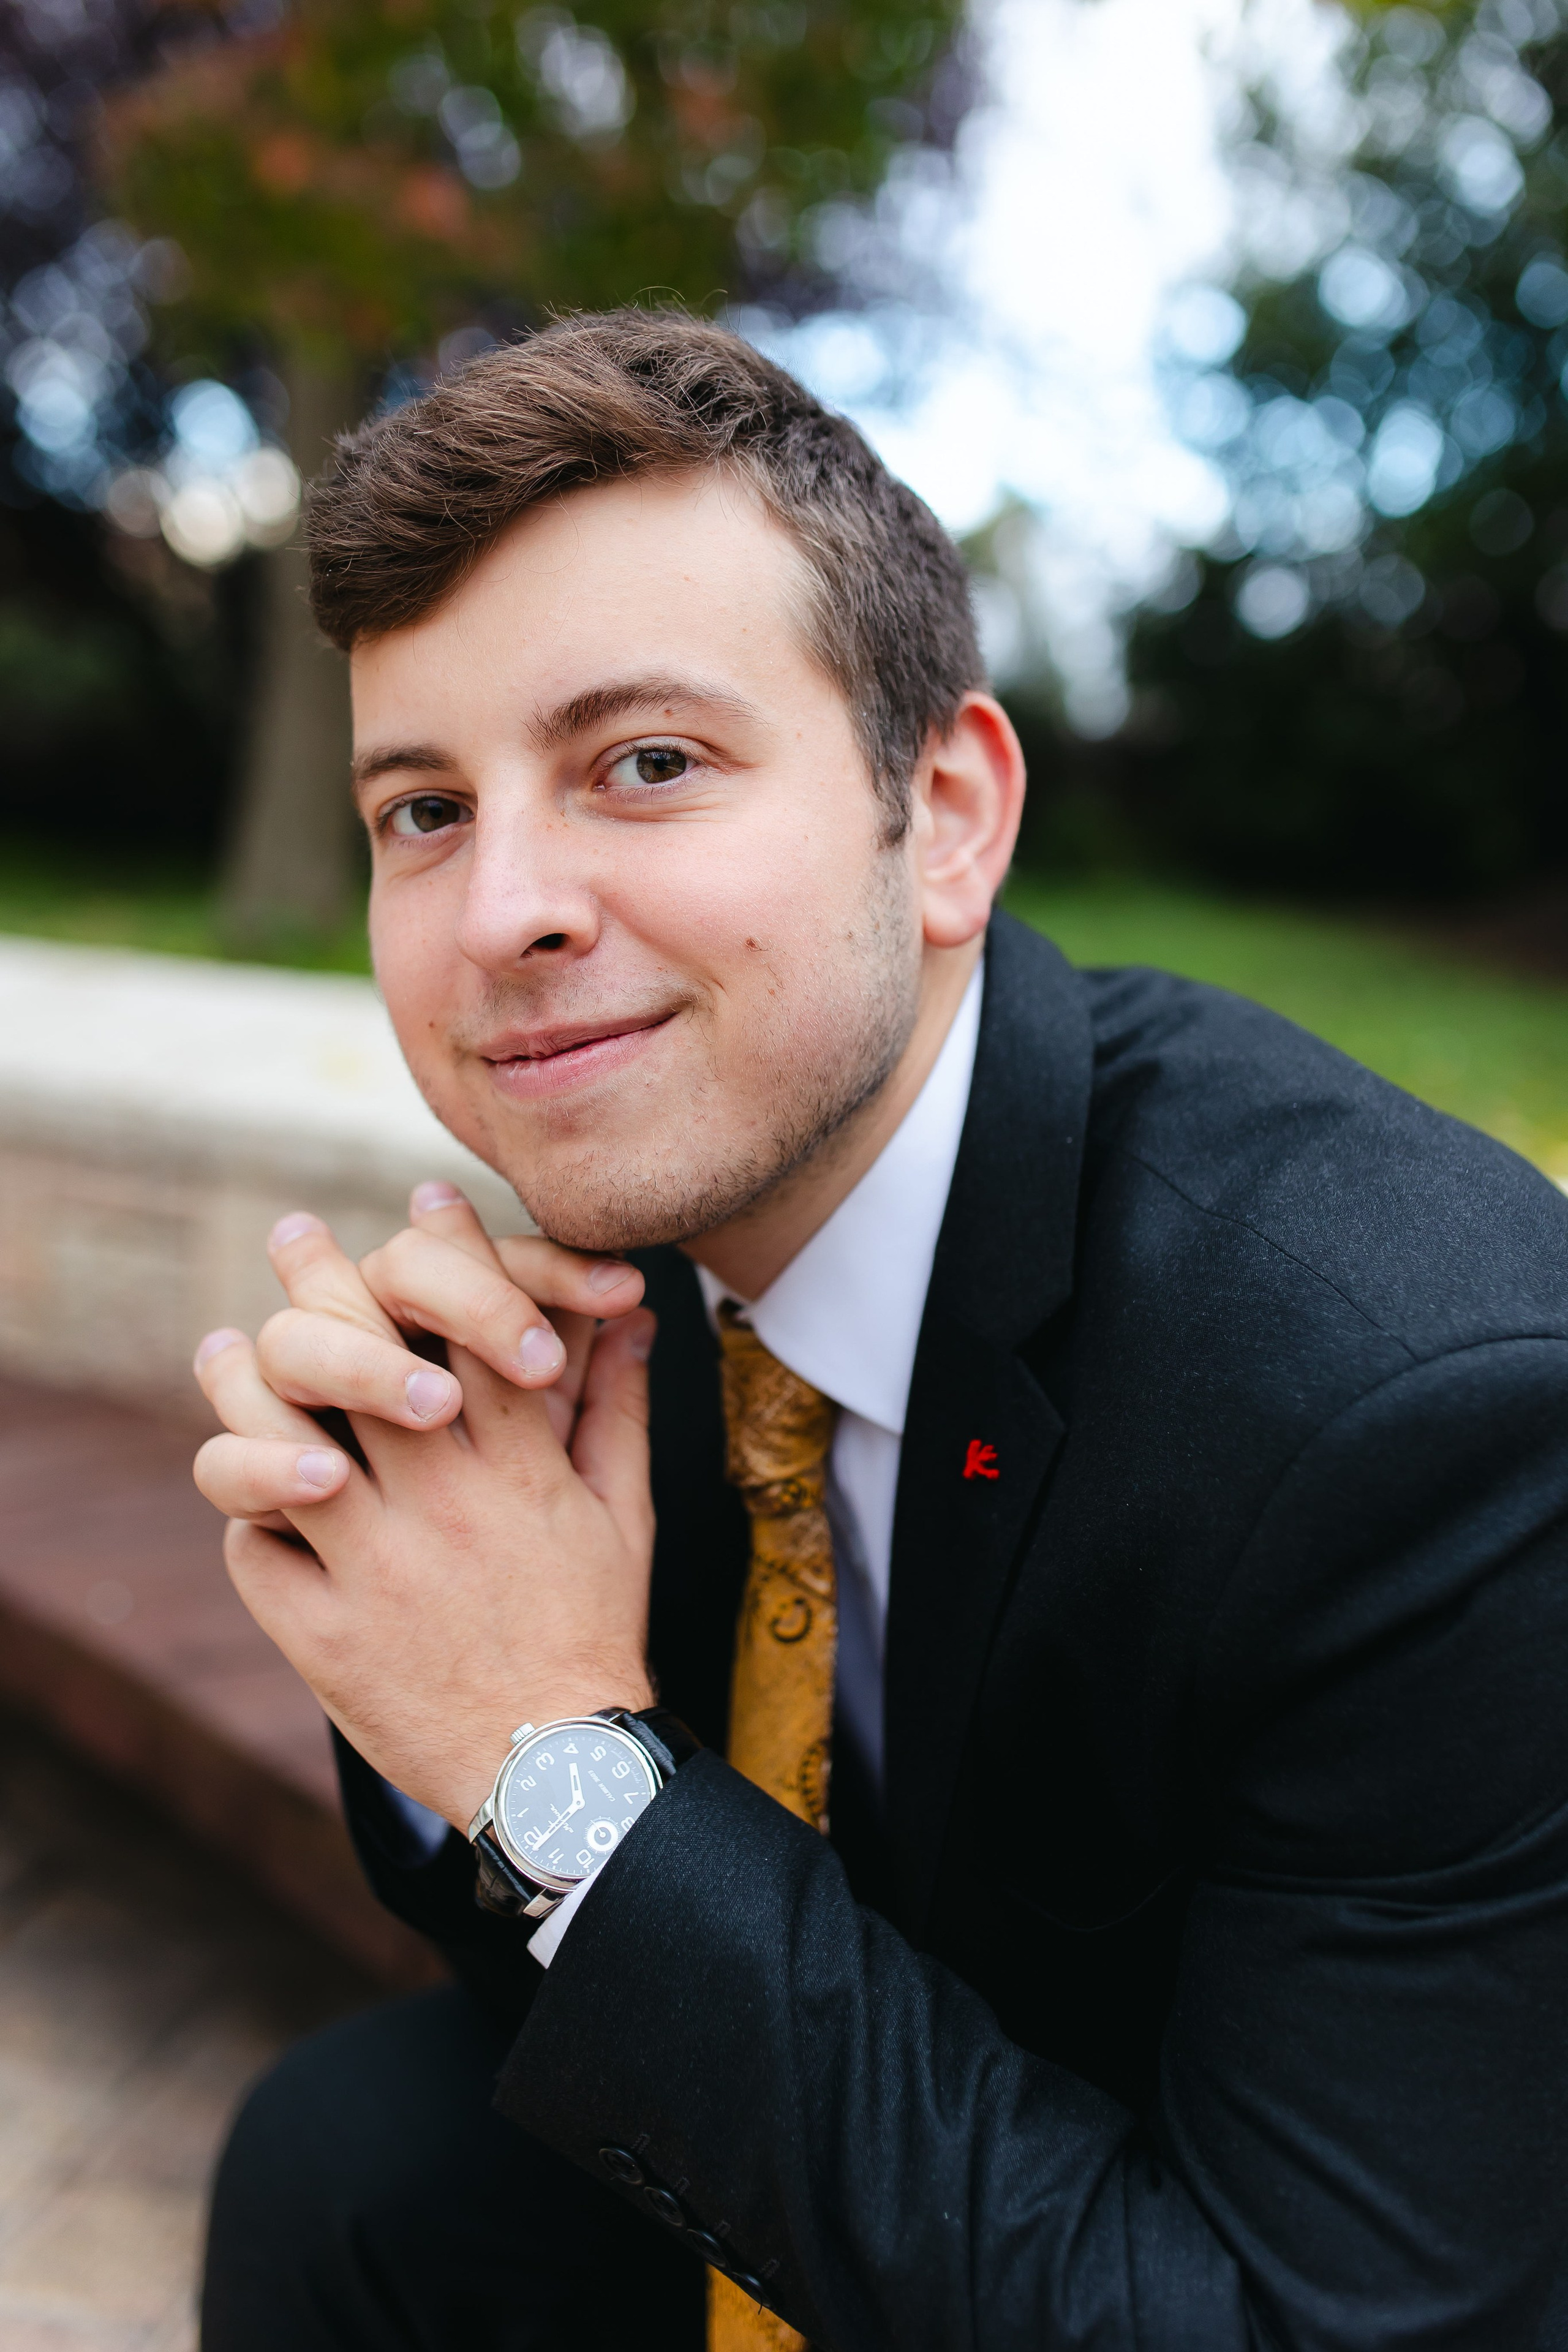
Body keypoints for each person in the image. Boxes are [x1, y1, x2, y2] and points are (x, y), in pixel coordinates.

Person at [190, 311, 1568, 2352]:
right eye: (424, 811)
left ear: (947, 813)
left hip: (1246, 2244)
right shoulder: (639, 1249)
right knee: (354, 2158)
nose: (502, 915)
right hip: (924, 2137)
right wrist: (441, 1667)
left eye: (643, 763)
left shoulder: (1418, 1419)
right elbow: (614, 1982)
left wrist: (549, 1755)